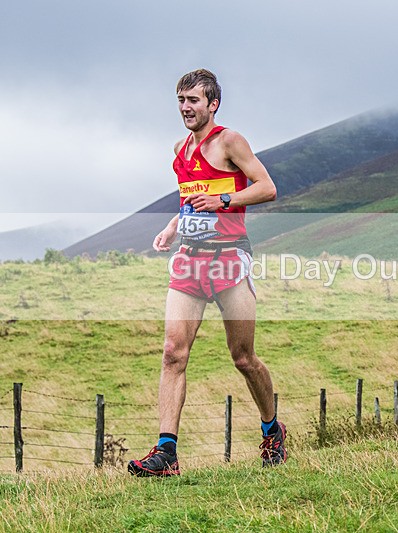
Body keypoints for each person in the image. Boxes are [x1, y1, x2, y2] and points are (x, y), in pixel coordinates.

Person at [128, 69, 284, 476]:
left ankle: (272, 430)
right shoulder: (180, 149)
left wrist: (226, 199)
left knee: (243, 358)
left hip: (230, 259)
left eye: (193, 101)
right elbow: (189, 202)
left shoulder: (230, 141)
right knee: (173, 352)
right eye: (181, 100)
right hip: (190, 261)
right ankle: (167, 453)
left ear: (212, 104)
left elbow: (267, 187)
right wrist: (170, 227)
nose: (185, 108)